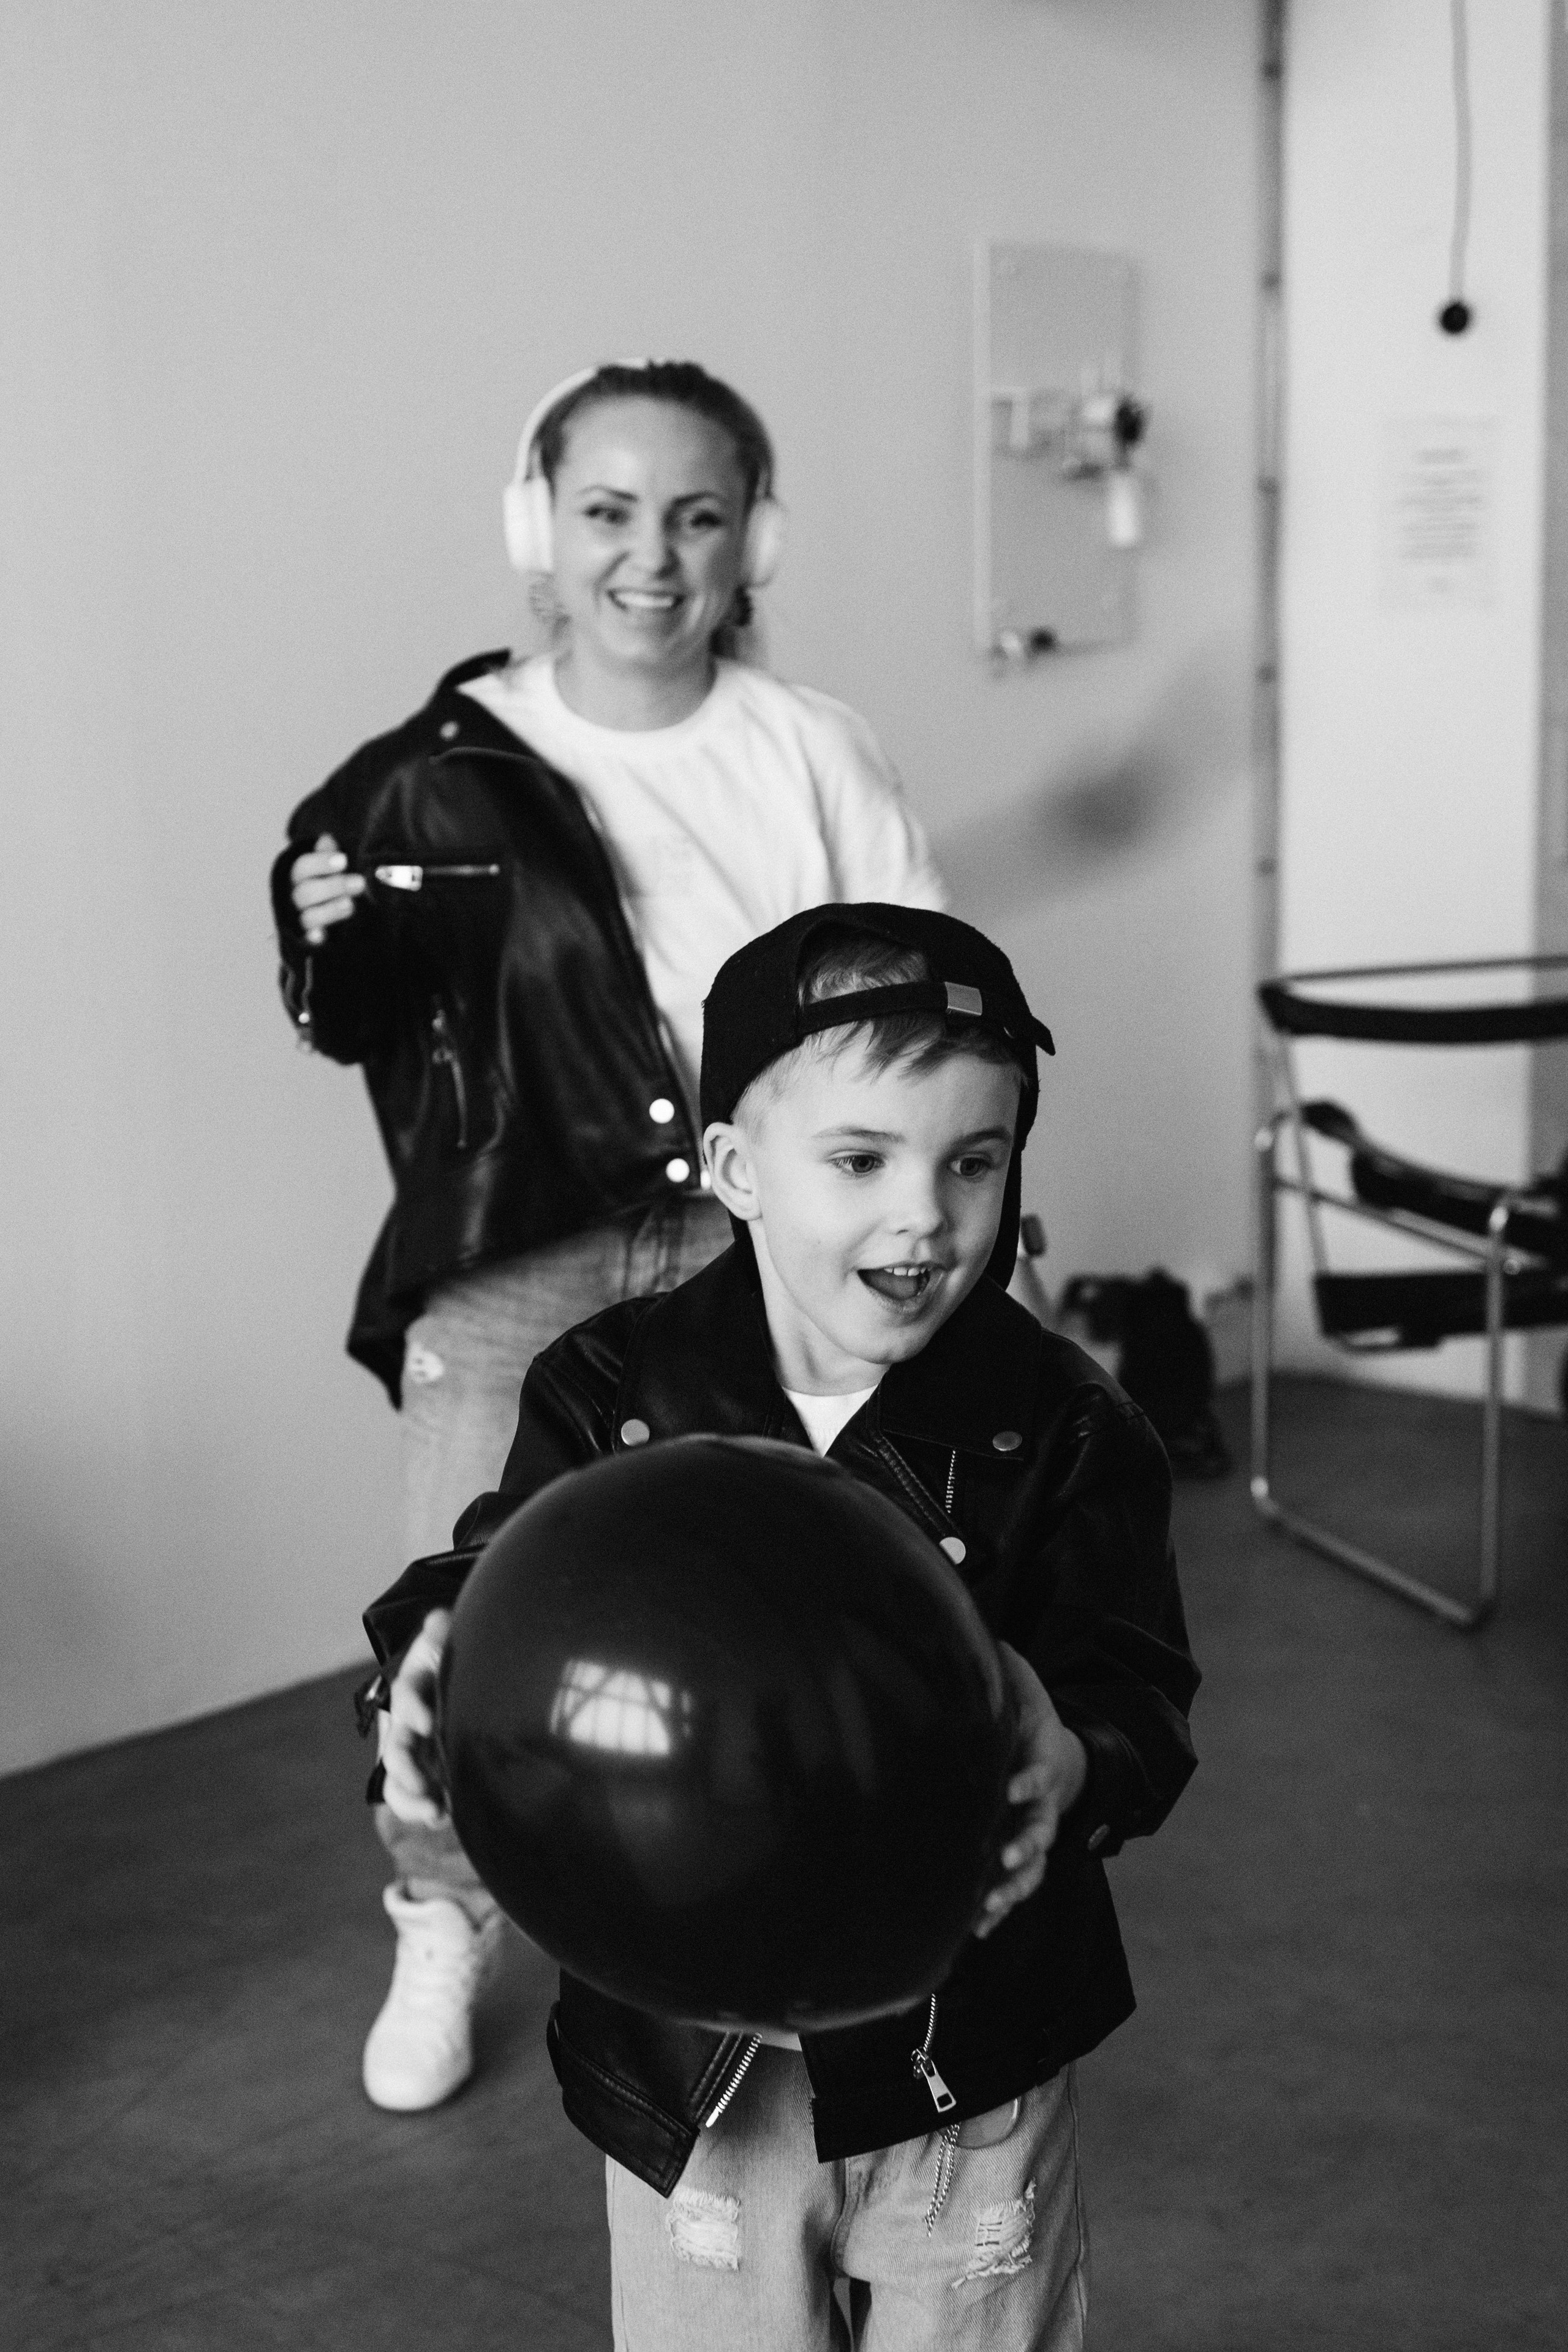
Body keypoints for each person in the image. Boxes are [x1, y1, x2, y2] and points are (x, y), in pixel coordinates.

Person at [367, 903, 1199, 2351]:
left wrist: (1072, 1760)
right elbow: (500, 1576)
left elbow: (1137, 1693)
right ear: (737, 1170)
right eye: (860, 1160)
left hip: (969, 2064)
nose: (924, 1216)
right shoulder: (609, 1387)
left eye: (974, 1163)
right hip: (700, 2073)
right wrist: (429, 1664)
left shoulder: (1065, 1424)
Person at [268, 361, 944, 2114]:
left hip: (757, 1253)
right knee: (451, 1624)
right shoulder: (428, 781)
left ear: (755, 540)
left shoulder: (814, 754)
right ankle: (443, 1922)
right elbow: (356, 1015)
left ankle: (741, 1933)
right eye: (610, 513)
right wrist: (322, 935)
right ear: (539, 534)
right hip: (517, 1260)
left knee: (780, 1607)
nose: (653, 557)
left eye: (698, 515)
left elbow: (925, 1014)